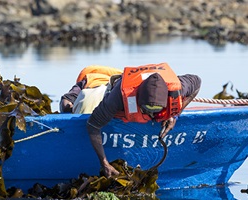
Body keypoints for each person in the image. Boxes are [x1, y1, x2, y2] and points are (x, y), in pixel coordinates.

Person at [60, 63, 201, 178]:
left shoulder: (177, 88)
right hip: (99, 87)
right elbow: (92, 125)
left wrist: (175, 115)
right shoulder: (120, 97)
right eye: (147, 109)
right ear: (139, 99)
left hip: (133, 78)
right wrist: (104, 162)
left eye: (156, 109)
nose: (151, 114)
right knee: (71, 105)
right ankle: (85, 84)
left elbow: (197, 82)